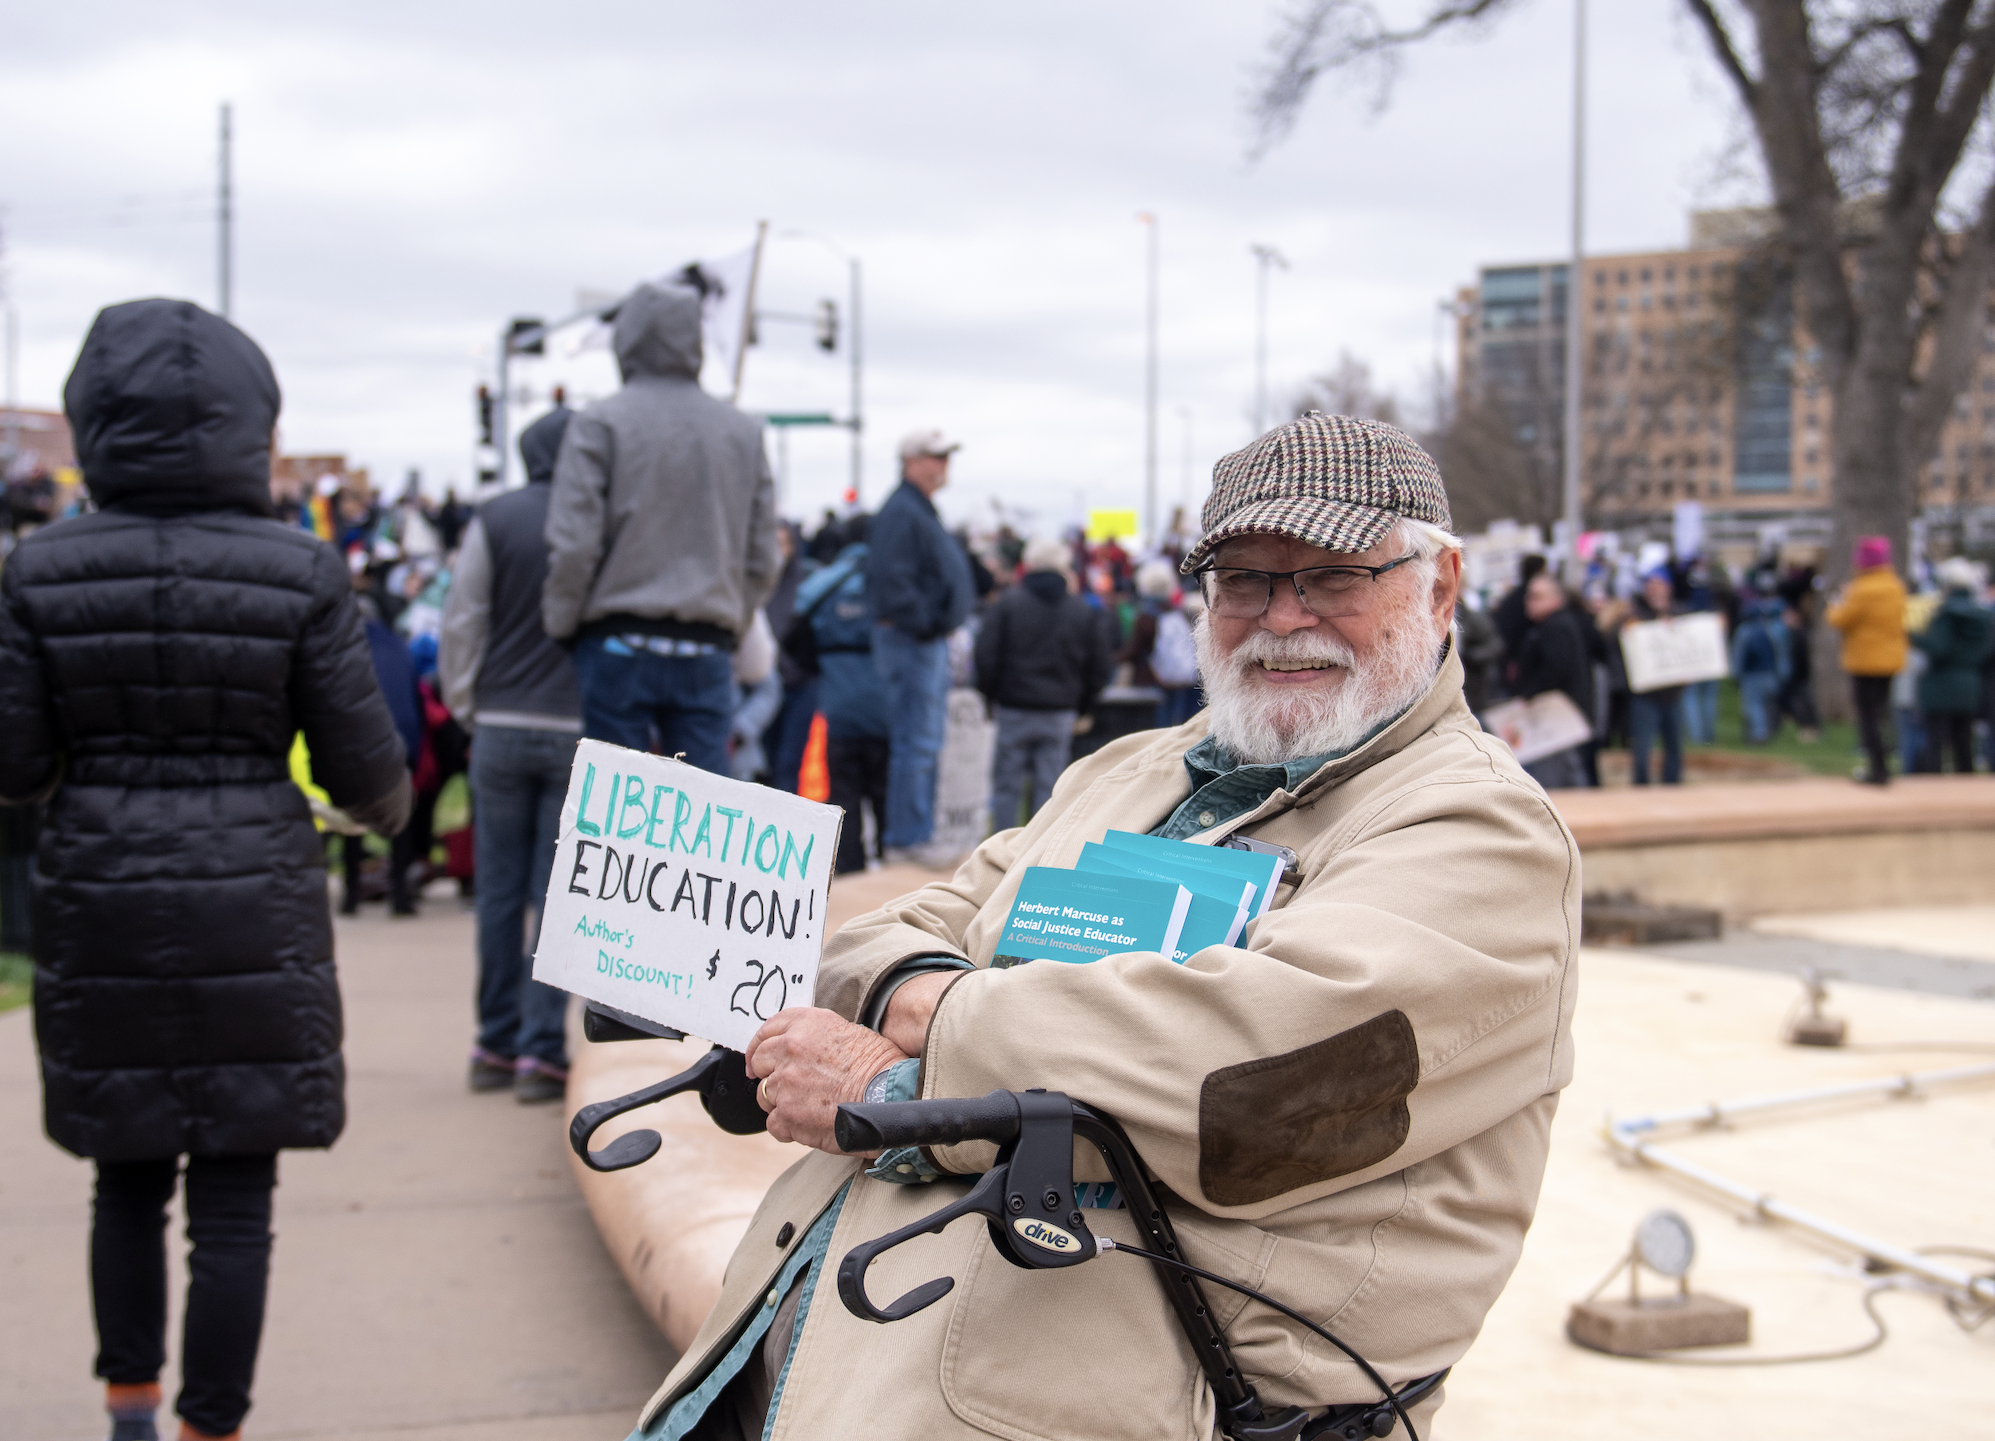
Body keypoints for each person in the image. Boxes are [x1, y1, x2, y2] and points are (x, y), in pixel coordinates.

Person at [633, 413, 1579, 1441]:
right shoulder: (1132, 769)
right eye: (1245, 581)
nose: (1283, 617)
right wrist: (926, 1000)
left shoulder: (1482, 828)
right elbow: (885, 931)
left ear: (1438, 586)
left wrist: (906, 1068)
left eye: (1333, 577)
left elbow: (1252, 1072)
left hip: (1138, 1397)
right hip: (838, 1341)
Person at [0, 299, 412, 1441]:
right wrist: (375, 815)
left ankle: (128, 1410)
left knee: (123, 1175)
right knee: (238, 1197)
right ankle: (210, 1428)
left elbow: (17, 765)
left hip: (101, 898)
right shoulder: (301, 570)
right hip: (255, 902)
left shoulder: (37, 569)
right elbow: (370, 776)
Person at [541, 282, 779, 774]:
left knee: (613, 815)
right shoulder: (742, 432)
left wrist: (564, 623)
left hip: (616, 640)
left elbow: (574, 545)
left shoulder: (600, 423)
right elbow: (762, 556)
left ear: (627, 339)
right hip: (708, 642)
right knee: (701, 814)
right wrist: (732, 622)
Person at [440, 404, 585, 1103]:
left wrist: (469, 706)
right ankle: (540, 1052)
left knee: (497, 893)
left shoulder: (494, 519)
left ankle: (491, 1043)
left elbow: (463, 619)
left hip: (499, 719)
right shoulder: (599, 516)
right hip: (574, 726)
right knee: (554, 899)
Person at [865, 429, 976, 864]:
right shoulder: (903, 511)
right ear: (911, 461)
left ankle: (914, 834)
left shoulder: (915, 509)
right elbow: (893, 580)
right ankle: (909, 839)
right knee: (916, 740)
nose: (943, 465)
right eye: (936, 456)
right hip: (912, 640)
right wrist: (928, 622)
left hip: (920, 640)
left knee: (922, 739)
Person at [973, 535, 1111, 831]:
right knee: (1049, 790)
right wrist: (1084, 707)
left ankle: (1001, 859)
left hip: (1014, 707)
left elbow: (985, 656)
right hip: (1059, 710)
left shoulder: (1008, 604)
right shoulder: (1082, 610)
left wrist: (990, 697)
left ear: (1029, 564)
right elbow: (1099, 667)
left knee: (1007, 787)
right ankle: (1036, 860)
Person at [788, 537, 891, 874]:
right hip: (885, 713)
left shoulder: (826, 585)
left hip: (839, 711)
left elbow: (793, 638)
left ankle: (849, 872)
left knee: (843, 800)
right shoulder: (888, 585)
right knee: (886, 797)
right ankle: (890, 870)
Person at [1827, 536, 1909, 786]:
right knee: (1883, 711)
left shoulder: (1862, 589)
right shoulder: (1895, 586)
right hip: (1891, 659)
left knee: (1868, 715)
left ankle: (1878, 769)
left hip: (1865, 660)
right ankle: (1889, 757)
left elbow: (1841, 620)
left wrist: (1836, 603)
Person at [1513, 573, 1594, 789]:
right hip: (1562, 711)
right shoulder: (1555, 624)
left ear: (1556, 599)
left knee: (1557, 774)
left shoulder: (1555, 626)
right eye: (1529, 597)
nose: (1528, 602)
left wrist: (1529, 695)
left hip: (1556, 713)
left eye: (1536, 597)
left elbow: (1556, 668)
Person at [1913, 557, 1992, 773]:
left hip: (1940, 684)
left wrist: (1915, 637)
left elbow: (1938, 647)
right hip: (1971, 682)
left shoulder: (1945, 614)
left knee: (1935, 741)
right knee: (1964, 739)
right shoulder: (1983, 616)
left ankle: (1934, 789)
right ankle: (1965, 789)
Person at [1623, 570, 1687, 785]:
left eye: (1660, 584)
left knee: (1675, 748)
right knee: (1642, 750)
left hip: (1673, 693)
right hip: (1645, 696)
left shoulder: (1681, 614)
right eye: (1651, 585)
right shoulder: (1634, 616)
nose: (1655, 589)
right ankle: (1641, 791)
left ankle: (1673, 789)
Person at [1729, 597, 1791, 745]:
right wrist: (1783, 674)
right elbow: (1781, 654)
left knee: (1753, 705)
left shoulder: (1744, 632)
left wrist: (1735, 674)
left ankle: (1758, 735)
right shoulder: (1772, 630)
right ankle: (1766, 731)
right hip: (1769, 674)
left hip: (1751, 675)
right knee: (1766, 705)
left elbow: (1738, 655)